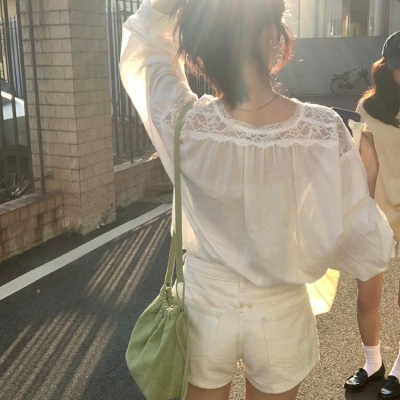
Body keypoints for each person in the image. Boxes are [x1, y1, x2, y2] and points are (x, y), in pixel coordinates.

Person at [120, 0, 393, 398]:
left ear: (200, 51)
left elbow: (143, 49)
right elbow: (359, 236)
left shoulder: (187, 123)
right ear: (274, 36)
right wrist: (365, 180)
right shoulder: (321, 130)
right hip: (281, 312)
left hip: (203, 307)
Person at [344, 31, 400, 399]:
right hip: (376, 213)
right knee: (367, 298)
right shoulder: (368, 109)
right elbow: (358, 163)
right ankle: (373, 363)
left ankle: (399, 370)